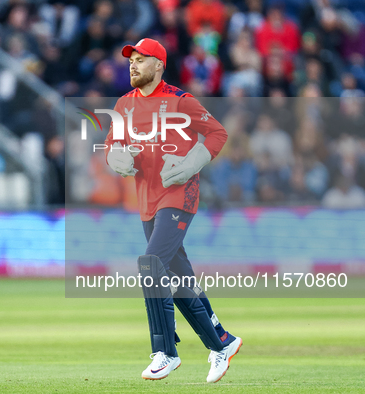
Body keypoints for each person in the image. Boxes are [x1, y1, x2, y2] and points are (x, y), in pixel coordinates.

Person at [104, 38, 242, 382]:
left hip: (180, 195)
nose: (132, 64)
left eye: (140, 59)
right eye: (130, 59)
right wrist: (113, 156)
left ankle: (165, 352)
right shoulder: (123, 104)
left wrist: (193, 160)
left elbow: (216, 133)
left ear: (158, 66)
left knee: (150, 265)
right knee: (178, 280)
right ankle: (221, 341)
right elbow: (112, 143)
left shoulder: (181, 101)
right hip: (147, 200)